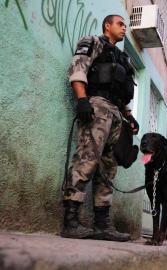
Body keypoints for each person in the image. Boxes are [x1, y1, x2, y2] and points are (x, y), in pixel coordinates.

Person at [62, 15, 136, 242]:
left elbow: (121, 90)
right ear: (108, 26)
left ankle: (102, 224)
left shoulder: (123, 58)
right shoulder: (93, 42)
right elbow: (78, 69)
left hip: (115, 113)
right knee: (87, 160)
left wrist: (129, 116)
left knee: (108, 168)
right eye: (120, 24)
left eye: (125, 25)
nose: (124, 28)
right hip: (97, 106)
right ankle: (70, 221)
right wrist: (82, 100)